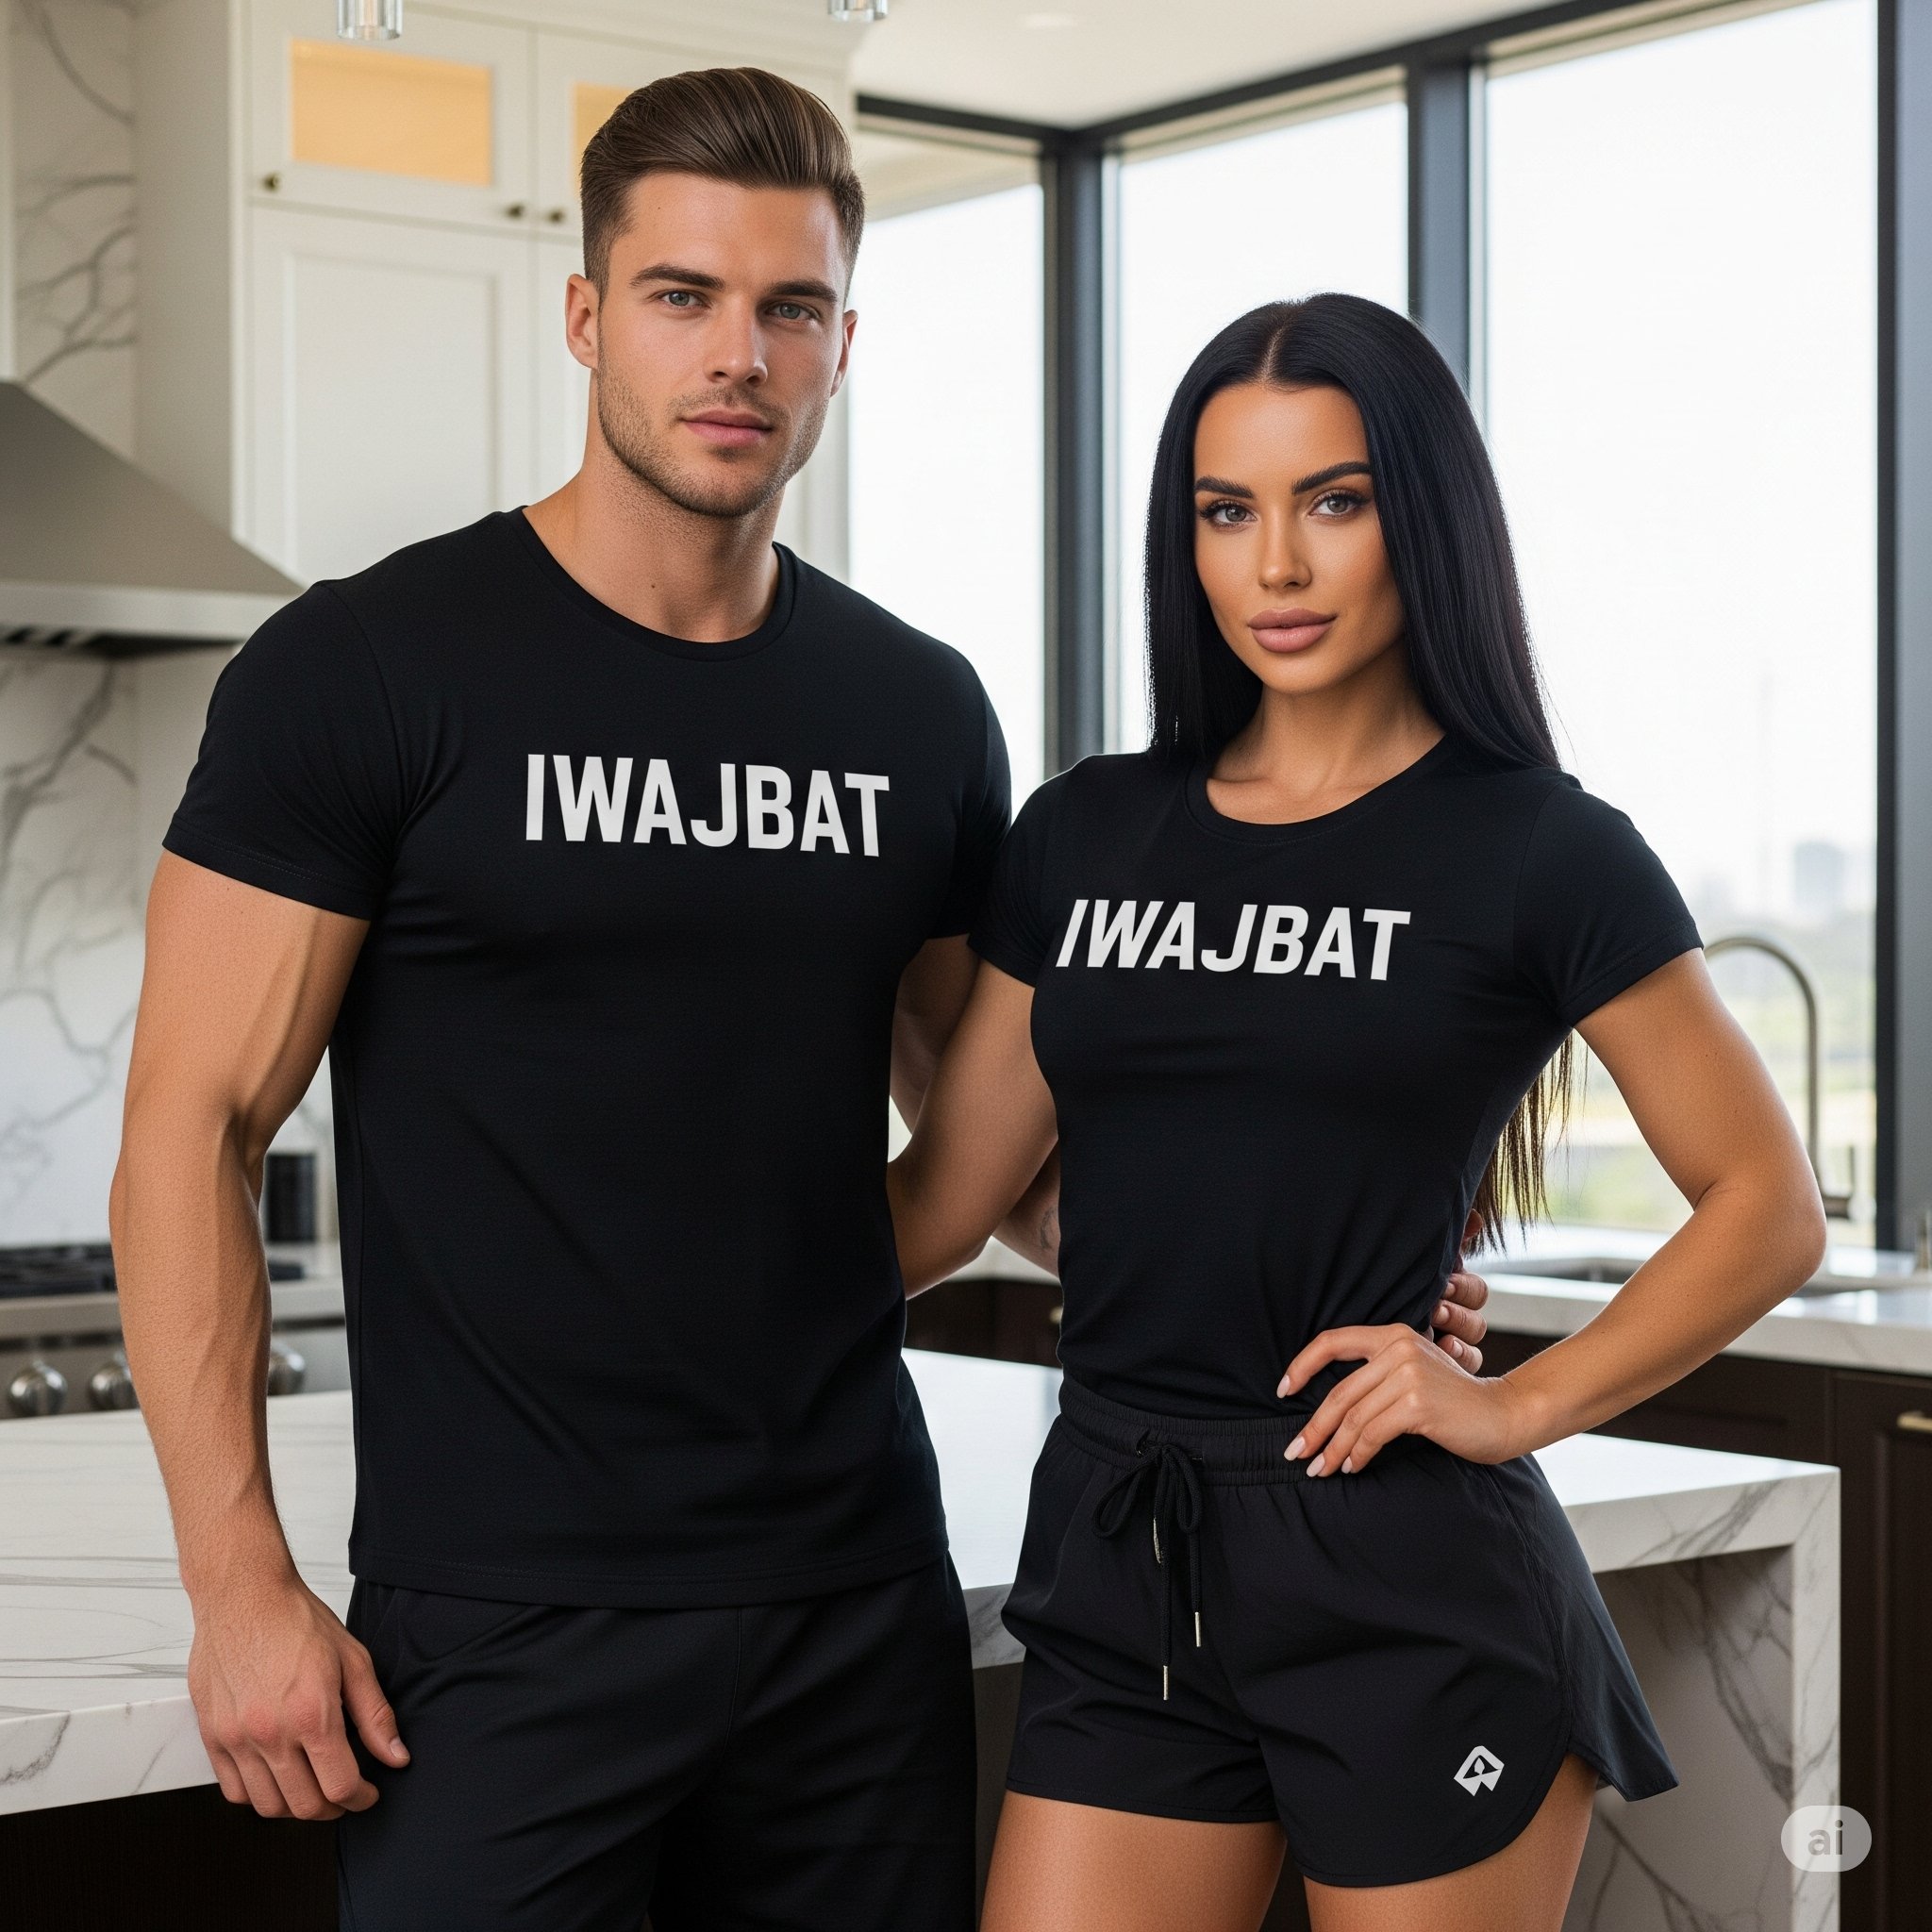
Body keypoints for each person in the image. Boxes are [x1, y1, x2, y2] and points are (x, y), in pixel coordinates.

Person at [105, 64, 1499, 1932]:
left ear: (846, 340)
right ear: (589, 314)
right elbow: (188, 1128)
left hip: (851, 1609)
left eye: (791, 307)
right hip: (510, 1616)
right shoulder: (366, 670)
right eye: (681, 296)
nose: (735, 354)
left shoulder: (912, 712)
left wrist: (1313, 1280)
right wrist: (238, 1585)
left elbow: (998, 1147)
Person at [888, 292, 1827, 1932]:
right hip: (1125, 1552)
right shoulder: (1088, 833)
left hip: (1405, 1581)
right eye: (1225, 510)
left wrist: (1511, 1408)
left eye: (1335, 501)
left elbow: (1767, 1202)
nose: (1277, 566)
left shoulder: (1539, 848)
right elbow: (951, 1196)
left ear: (1425, 516)